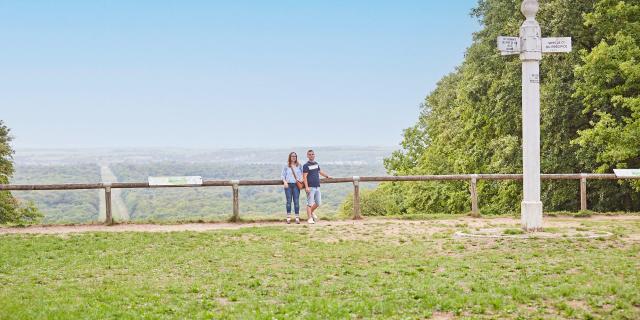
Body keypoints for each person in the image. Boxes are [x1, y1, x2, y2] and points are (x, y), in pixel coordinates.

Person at [303, 149, 331, 224]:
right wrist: (306, 187)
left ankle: (311, 212)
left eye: (312, 154)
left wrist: (327, 176)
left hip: (317, 186)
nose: (311, 155)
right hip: (310, 187)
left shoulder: (316, 163)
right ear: (307, 156)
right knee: (309, 203)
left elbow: (319, 171)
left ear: (314, 155)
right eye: (309, 154)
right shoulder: (306, 165)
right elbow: (304, 177)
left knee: (318, 203)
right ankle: (309, 219)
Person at [281, 152, 304, 224]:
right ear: (290, 157)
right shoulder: (286, 165)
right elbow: (282, 175)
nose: (294, 157)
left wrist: (301, 180)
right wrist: (284, 182)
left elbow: (303, 174)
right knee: (288, 202)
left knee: (296, 201)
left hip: (296, 185)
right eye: (292, 156)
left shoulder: (299, 165)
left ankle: (297, 218)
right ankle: (288, 218)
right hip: (288, 185)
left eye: (295, 156)